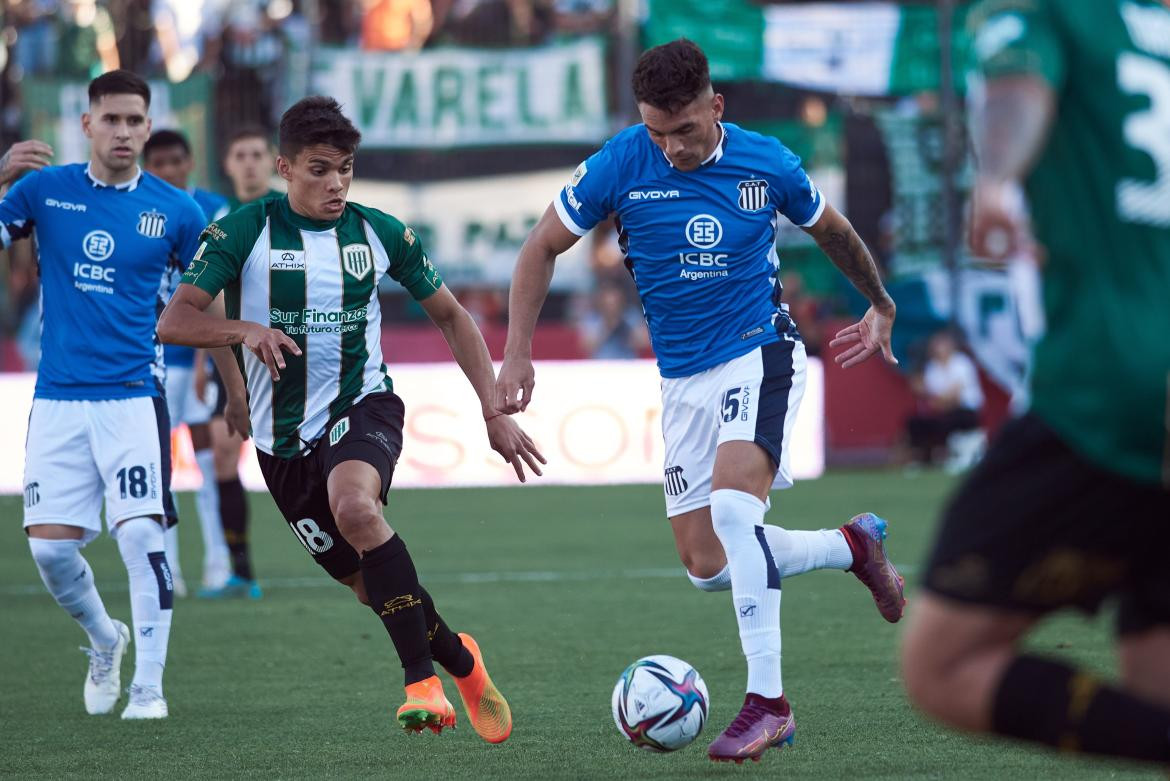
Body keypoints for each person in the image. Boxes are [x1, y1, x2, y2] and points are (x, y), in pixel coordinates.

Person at [496, 39, 905, 763]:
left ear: (715, 107)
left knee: (732, 511)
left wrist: (878, 302)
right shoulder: (624, 161)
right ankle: (852, 546)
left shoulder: (768, 162)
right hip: (683, 380)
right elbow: (539, 248)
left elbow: (833, 231)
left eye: (684, 130)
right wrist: (519, 351)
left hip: (761, 348)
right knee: (708, 563)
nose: (671, 147)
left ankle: (769, 703)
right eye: (658, 131)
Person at [157, 96, 546, 740]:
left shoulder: (378, 232)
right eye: (319, 169)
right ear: (285, 167)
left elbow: (451, 314)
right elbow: (176, 320)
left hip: (363, 405)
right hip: (283, 447)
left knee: (358, 509)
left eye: (346, 168)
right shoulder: (242, 231)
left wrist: (491, 410)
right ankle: (463, 663)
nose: (336, 182)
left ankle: (421, 683)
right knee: (373, 590)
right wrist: (246, 332)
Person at [901, 0, 1170, 768]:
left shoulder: (1042, 9)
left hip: (1117, 388)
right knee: (1155, 668)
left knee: (941, 665)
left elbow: (1018, 88)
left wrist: (992, 182)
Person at [0, 70, 207, 719]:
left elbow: (210, 297)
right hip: (58, 399)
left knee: (142, 535)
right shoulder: (41, 191)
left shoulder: (177, 211)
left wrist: (228, 377)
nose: (123, 131)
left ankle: (149, 687)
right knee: (51, 550)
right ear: (86, 124)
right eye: (110, 119)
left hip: (132, 397)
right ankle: (103, 637)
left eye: (134, 120)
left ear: (148, 127)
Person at [143, 128, 232, 597]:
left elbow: (218, 288)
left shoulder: (211, 210)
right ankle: (167, 569)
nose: (169, 171)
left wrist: (206, 358)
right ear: (148, 167)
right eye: (159, 164)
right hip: (153, 359)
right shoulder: (137, 210)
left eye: (176, 161)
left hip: (196, 358)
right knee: (161, 467)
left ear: (190, 161)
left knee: (207, 462)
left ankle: (218, 562)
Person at [197, 125, 282, 599]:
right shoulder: (221, 219)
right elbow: (207, 302)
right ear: (228, 165)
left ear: (272, 161)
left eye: (256, 154)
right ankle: (242, 570)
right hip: (232, 356)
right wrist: (199, 367)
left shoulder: (288, 213)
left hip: (287, 354)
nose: (249, 163)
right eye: (239, 155)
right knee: (225, 456)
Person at [905, 330, 984, 467]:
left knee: (953, 418)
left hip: (967, 411)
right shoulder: (932, 367)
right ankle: (923, 459)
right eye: (935, 346)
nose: (938, 349)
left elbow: (955, 397)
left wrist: (938, 399)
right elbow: (930, 397)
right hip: (943, 410)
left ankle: (960, 454)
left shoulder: (961, 363)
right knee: (915, 422)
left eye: (941, 345)